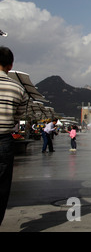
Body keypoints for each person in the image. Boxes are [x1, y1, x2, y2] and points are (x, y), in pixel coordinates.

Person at [0, 46, 28, 225]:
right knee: (2, 186)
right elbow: (19, 117)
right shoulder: (18, 89)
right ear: (10, 66)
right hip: (4, 141)